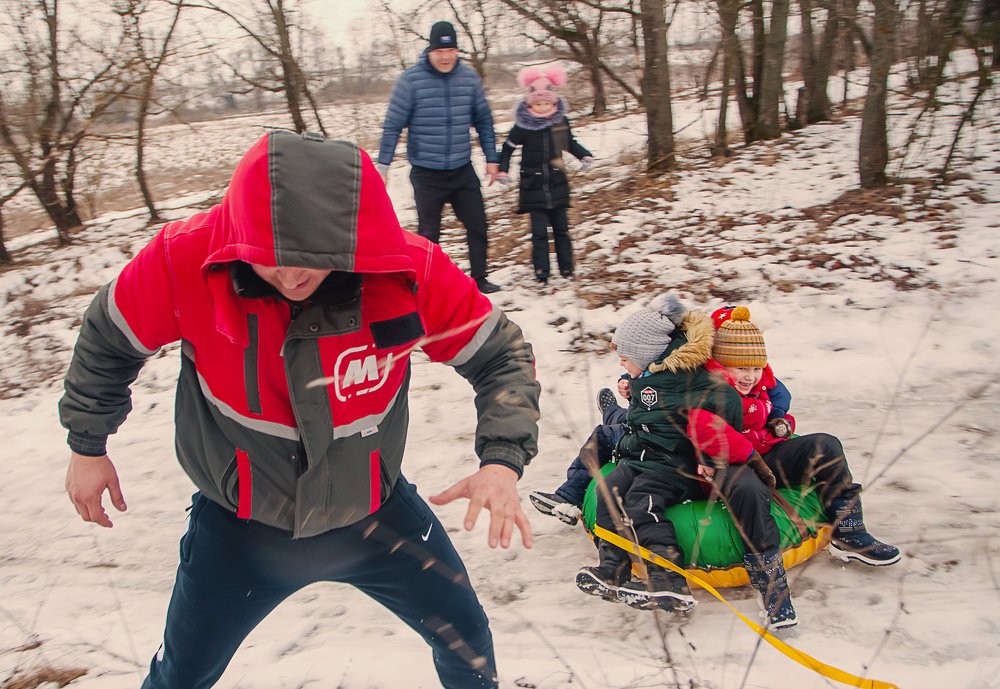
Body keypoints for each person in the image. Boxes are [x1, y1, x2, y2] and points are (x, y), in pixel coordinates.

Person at [58, 131, 542, 689]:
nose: (291, 277)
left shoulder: (409, 270)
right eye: (273, 260)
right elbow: (108, 340)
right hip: (239, 528)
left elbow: (501, 355)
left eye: (313, 260)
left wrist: (501, 460)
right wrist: (87, 446)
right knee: (180, 676)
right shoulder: (183, 260)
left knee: (468, 641)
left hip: (376, 515)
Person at [575, 295, 790, 628]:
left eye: (625, 358)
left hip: (673, 465)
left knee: (642, 502)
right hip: (643, 457)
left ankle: (668, 579)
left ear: (646, 354)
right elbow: (641, 421)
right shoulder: (648, 377)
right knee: (608, 488)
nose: (622, 364)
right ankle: (613, 567)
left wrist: (709, 452)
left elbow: (724, 405)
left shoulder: (685, 380)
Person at [701, 306, 901, 568]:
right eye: (741, 368)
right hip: (732, 470)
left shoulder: (761, 385)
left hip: (766, 457)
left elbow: (779, 409)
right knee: (749, 485)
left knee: (826, 445)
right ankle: (764, 562)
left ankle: (849, 532)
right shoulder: (708, 391)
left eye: (757, 368)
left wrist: (780, 424)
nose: (750, 376)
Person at [377, 20, 502, 294]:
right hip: (427, 173)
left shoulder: (468, 79)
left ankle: (480, 278)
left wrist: (492, 158)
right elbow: (393, 125)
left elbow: (484, 120)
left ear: (456, 50)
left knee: (478, 225)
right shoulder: (411, 81)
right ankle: (427, 285)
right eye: (439, 51)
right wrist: (383, 166)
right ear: (430, 51)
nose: (445, 57)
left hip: (461, 168)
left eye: (450, 51)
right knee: (429, 235)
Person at [497, 64, 594, 284]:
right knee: (539, 233)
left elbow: (569, 142)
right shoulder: (523, 126)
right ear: (530, 102)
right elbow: (508, 147)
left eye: (546, 103)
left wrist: (584, 156)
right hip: (532, 184)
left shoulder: (559, 122)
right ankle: (542, 272)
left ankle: (567, 269)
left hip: (557, 181)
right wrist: (503, 169)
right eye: (538, 104)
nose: (542, 107)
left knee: (562, 230)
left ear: (554, 102)